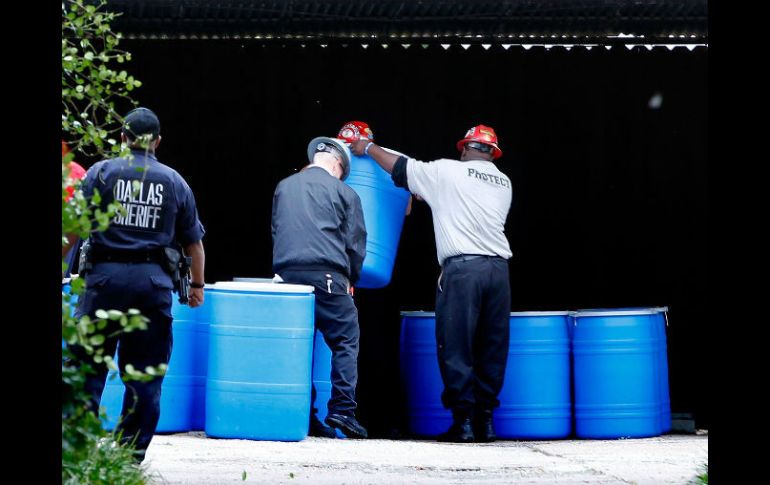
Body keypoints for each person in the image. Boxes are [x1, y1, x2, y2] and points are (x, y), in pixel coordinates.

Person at [351, 124, 513, 443]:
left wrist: (367, 147)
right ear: (492, 154)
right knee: (491, 346)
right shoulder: (503, 182)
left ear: (465, 148)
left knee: (456, 345)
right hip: (498, 271)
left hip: (464, 271)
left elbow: (400, 167)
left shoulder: (447, 172)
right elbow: (460, 201)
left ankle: (463, 423)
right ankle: (486, 422)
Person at [63, 107, 206, 461]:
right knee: (144, 376)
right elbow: (194, 244)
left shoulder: (101, 172)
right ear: (157, 141)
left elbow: (73, 228)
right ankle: (130, 457)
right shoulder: (174, 181)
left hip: (103, 283)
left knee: (86, 369)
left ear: (123, 138)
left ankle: (78, 453)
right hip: (151, 287)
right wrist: (197, 286)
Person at [271, 135, 369, 439]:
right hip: (328, 274)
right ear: (338, 164)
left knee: (299, 344)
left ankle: (304, 413)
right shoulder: (345, 192)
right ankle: (343, 410)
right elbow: (355, 244)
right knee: (345, 340)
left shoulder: (283, 187)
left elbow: (277, 230)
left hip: (287, 275)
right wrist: (351, 278)